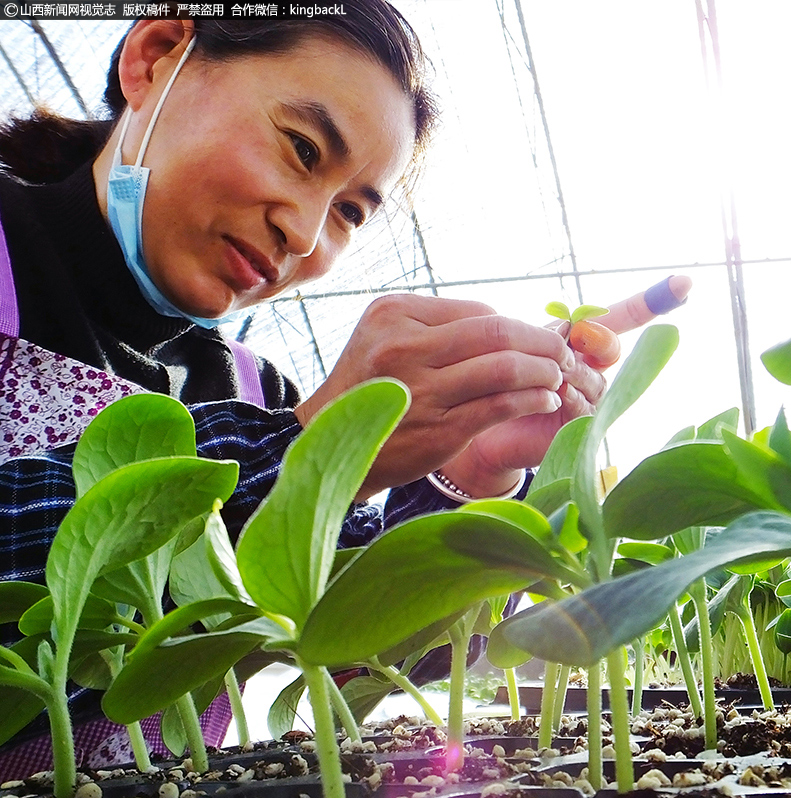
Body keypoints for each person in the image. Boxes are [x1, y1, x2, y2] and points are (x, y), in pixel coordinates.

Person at [0, 10, 691, 777]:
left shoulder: (258, 391)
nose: (304, 234)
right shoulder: (277, 422)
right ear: (157, 58)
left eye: (350, 212)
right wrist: (306, 453)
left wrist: (473, 472)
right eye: (301, 149)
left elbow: (374, 654)